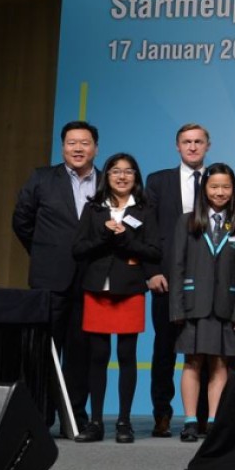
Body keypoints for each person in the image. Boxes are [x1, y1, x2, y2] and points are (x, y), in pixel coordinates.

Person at [12, 120, 100, 434]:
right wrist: (44, 252)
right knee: (44, 350)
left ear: (95, 148)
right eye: (72, 143)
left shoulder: (105, 183)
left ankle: (74, 416)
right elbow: (21, 221)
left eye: (85, 143)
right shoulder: (41, 178)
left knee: (82, 350)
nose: (78, 148)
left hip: (91, 281)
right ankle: (40, 416)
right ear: (62, 147)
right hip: (50, 279)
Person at [72, 153, 161, 443]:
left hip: (130, 290)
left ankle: (124, 422)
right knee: (97, 356)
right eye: (115, 171)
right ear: (106, 176)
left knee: (126, 356)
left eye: (128, 172)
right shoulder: (94, 209)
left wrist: (124, 237)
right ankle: (96, 421)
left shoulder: (146, 210)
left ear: (136, 177)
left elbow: (154, 251)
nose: (122, 177)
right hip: (97, 289)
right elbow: (79, 249)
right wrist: (105, 235)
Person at [169, 163, 235, 442]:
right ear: (204, 189)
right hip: (194, 304)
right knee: (192, 362)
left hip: (225, 306)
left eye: (226, 186)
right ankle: (191, 421)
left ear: (233, 189)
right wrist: (177, 307)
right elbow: (177, 265)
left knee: (219, 364)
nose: (220, 192)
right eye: (214, 186)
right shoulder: (187, 221)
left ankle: (215, 420)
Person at [144, 123, 210, 437]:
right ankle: (162, 413)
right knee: (165, 348)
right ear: (177, 146)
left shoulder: (219, 180)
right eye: (187, 142)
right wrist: (152, 271)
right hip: (167, 279)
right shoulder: (158, 181)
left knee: (205, 348)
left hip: (209, 280)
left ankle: (201, 417)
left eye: (198, 142)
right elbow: (147, 230)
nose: (193, 147)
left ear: (207, 146)